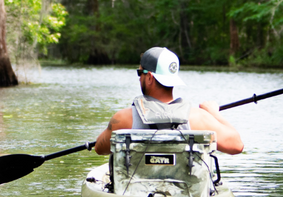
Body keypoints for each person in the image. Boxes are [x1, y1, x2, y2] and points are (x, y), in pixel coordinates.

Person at [93, 47, 244, 156]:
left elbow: (100, 148)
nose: (139, 78)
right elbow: (237, 146)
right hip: (184, 195)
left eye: (140, 73)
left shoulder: (123, 119)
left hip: (137, 192)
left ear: (150, 77)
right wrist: (214, 114)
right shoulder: (199, 118)